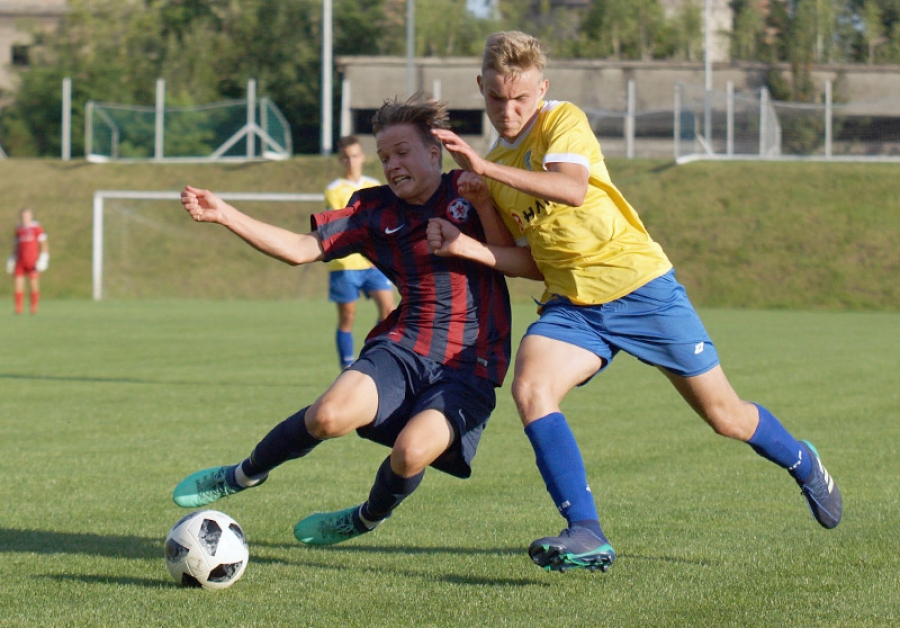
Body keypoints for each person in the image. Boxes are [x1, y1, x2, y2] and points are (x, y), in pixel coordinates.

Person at [428, 30, 842, 573]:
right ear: (480, 87)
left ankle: (802, 460)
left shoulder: (561, 121)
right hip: (575, 306)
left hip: (641, 288)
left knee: (726, 417)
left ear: (542, 89)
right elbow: (526, 260)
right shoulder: (501, 163)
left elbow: (572, 188)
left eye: (521, 98)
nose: (509, 110)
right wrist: (474, 234)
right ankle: (586, 531)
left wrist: (484, 170)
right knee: (531, 388)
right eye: (497, 98)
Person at [172, 93, 513, 549]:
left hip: (471, 365)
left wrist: (485, 204)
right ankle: (244, 473)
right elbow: (299, 249)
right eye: (384, 156)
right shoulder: (374, 210)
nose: (391, 165)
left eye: (402, 153)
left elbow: (512, 256)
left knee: (411, 452)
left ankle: (367, 517)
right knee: (329, 416)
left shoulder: (469, 191)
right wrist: (225, 214)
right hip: (403, 347)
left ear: (434, 153)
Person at [324, 136, 395, 369]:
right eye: (346, 157)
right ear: (340, 160)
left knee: (389, 310)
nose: (351, 161)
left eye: (355, 156)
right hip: (346, 263)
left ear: (362, 157)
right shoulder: (334, 190)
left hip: (374, 263)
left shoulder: (374, 185)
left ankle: (373, 358)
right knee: (348, 317)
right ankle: (346, 366)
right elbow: (343, 226)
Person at [7, 207, 49, 315]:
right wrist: (12, 258)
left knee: (33, 285)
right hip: (20, 261)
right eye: (23, 215)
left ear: (31, 216)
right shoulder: (18, 229)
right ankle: (18, 309)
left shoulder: (36, 228)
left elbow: (44, 244)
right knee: (18, 285)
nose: (25, 217)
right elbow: (16, 246)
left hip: (32, 261)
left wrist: (43, 258)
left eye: (27, 215)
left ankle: (33, 308)